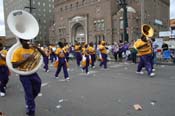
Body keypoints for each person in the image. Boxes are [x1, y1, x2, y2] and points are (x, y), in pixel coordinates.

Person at [11, 39, 46, 116]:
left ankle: (29, 101)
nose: (28, 42)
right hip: (24, 74)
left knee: (37, 88)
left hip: (33, 73)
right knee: (29, 93)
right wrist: (26, 59)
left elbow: (45, 55)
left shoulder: (33, 49)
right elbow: (14, 65)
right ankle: (31, 112)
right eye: (25, 41)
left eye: (28, 40)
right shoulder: (18, 51)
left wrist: (38, 48)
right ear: (21, 42)